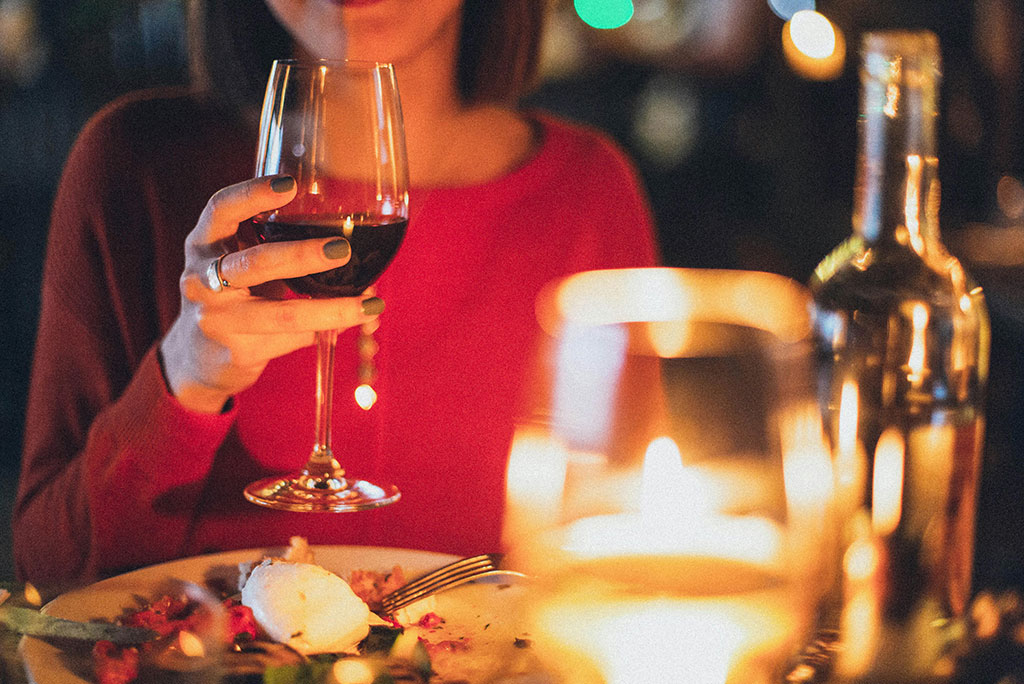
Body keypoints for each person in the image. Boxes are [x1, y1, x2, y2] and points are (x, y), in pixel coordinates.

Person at [13, 0, 659, 586]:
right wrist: (182, 380)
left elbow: (625, 570)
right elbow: (51, 570)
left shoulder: (588, 198)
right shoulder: (131, 167)